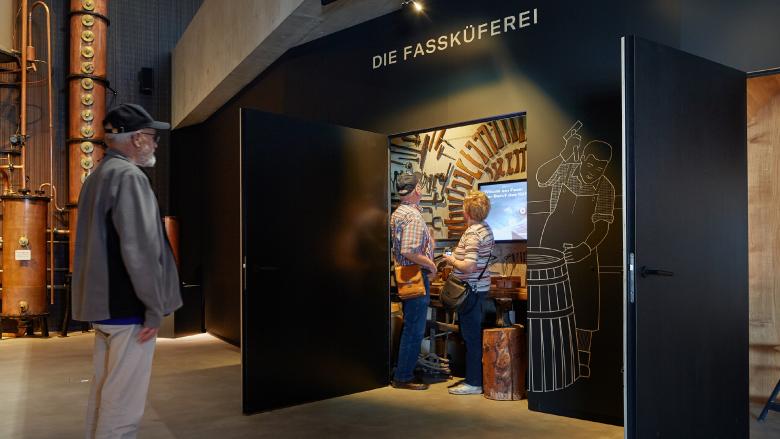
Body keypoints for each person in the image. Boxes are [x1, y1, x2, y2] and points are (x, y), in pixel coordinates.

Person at [72, 103, 182, 438]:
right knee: (123, 406)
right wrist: (153, 309)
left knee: (104, 391)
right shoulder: (130, 178)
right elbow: (140, 249)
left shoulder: (97, 176)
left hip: (105, 310)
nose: (155, 143)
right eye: (151, 136)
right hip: (128, 310)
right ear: (136, 139)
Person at [536, 130, 615, 378]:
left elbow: (602, 225)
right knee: (550, 301)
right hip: (552, 245)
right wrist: (563, 154)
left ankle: (581, 359)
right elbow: (541, 178)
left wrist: (585, 248)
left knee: (584, 305)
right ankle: (551, 356)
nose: (594, 170)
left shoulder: (605, 186)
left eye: (601, 167)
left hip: (584, 253)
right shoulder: (565, 169)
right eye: (591, 163)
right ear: (583, 158)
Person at [443, 190, 495, 395]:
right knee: (473, 335)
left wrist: (451, 259)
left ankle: (474, 383)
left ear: (467, 211)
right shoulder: (485, 228)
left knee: (471, 337)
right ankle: (474, 379)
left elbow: (469, 266)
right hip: (478, 288)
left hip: (469, 291)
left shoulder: (473, 233)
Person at [390, 172, 436, 390]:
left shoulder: (399, 212)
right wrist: (431, 265)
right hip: (415, 276)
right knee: (415, 329)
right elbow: (409, 251)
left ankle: (402, 371)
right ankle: (403, 376)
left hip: (406, 275)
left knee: (411, 326)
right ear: (417, 189)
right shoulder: (413, 216)